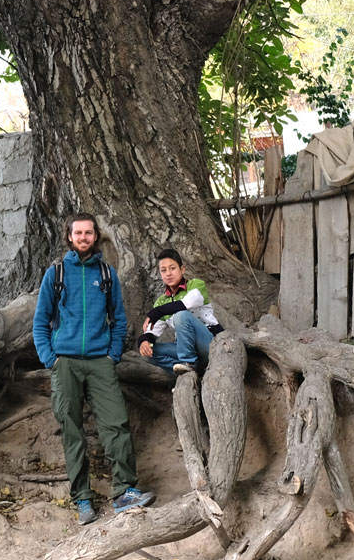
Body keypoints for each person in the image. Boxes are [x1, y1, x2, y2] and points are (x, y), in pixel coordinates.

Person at [32, 212, 154, 525]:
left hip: (101, 362)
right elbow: (40, 321)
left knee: (116, 425)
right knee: (72, 431)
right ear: (69, 237)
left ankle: (125, 492)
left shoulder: (107, 273)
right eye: (78, 233)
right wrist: (51, 359)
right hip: (66, 363)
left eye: (89, 233)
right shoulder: (56, 273)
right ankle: (83, 499)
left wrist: (112, 355)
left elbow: (120, 320)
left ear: (95, 235)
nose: (84, 237)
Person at [138, 247, 220, 375]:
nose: (168, 274)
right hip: (185, 348)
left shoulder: (196, 285)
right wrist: (144, 341)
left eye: (172, 268)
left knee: (181, 315)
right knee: (148, 353)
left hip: (209, 344)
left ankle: (188, 363)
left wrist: (156, 312)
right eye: (163, 270)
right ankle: (192, 373)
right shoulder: (161, 302)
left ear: (182, 269)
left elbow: (184, 304)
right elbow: (152, 332)